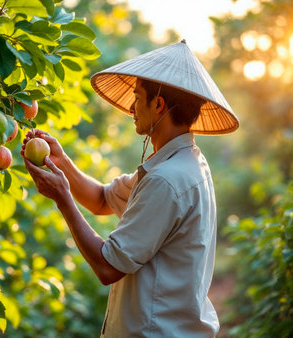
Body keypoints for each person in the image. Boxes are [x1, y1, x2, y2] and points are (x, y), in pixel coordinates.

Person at [21, 40, 239, 337]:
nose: (132, 108)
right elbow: (101, 200)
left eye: (137, 97)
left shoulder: (167, 180)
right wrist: (64, 163)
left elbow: (107, 267)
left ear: (159, 104)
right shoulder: (180, 164)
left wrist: (63, 199)